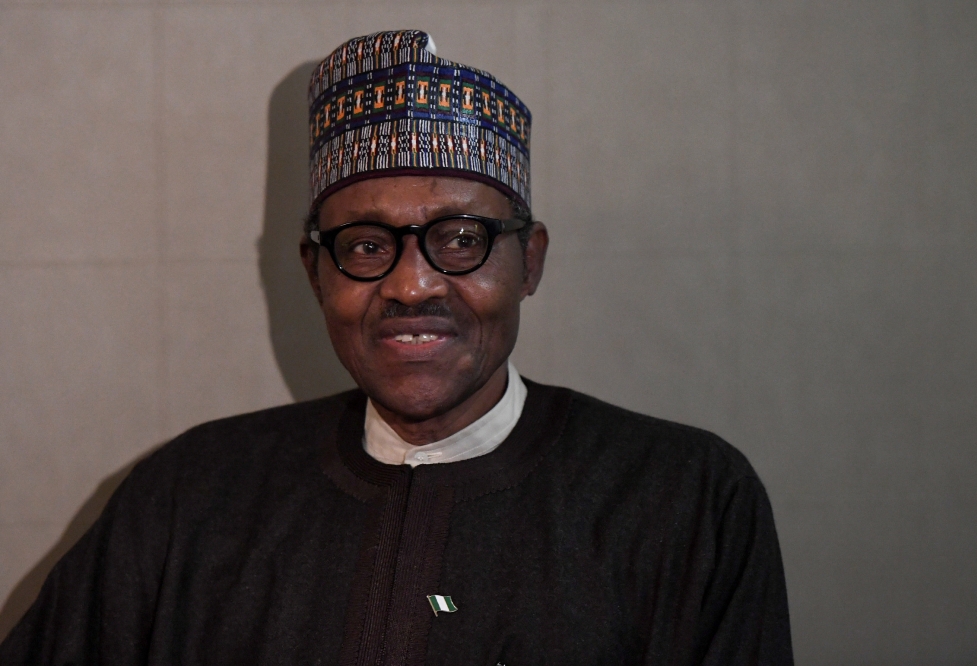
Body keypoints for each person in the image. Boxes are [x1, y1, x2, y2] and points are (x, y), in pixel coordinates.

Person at [0, 30, 793, 665]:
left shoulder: (684, 498)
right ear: (316, 272)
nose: (412, 286)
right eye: (367, 245)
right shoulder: (187, 498)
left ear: (530, 262)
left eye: (460, 238)